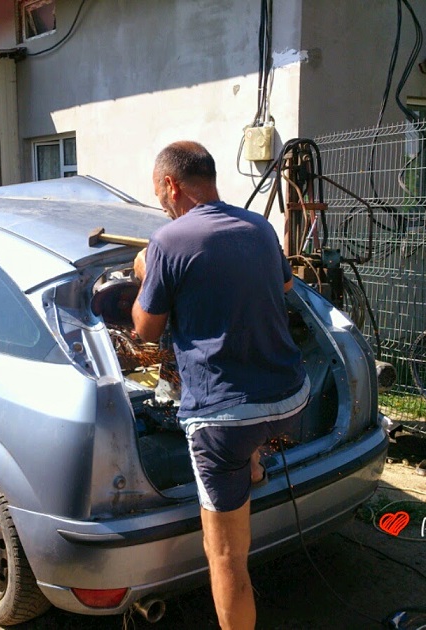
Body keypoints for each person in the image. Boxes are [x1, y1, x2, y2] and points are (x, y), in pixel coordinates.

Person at [132, 141, 310, 630]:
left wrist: (146, 272)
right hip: (292, 397)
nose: (161, 204)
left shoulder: (167, 241)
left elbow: (145, 330)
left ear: (171, 185)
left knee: (225, 555)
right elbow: (286, 286)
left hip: (225, 421)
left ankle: (241, 462)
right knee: (245, 434)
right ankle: (251, 463)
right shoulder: (259, 227)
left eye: (159, 193)